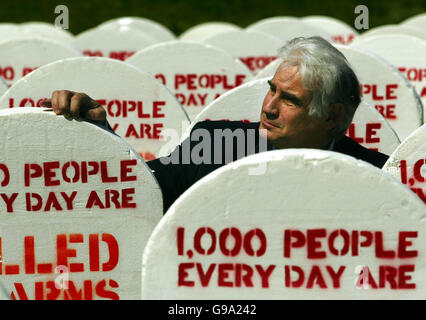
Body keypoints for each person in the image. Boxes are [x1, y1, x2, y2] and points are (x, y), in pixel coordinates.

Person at [41, 37, 389, 213]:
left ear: (331, 116)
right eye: (272, 90)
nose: (268, 107)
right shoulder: (216, 144)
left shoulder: (378, 175)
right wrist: (102, 135)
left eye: (289, 99)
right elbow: (145, 188)